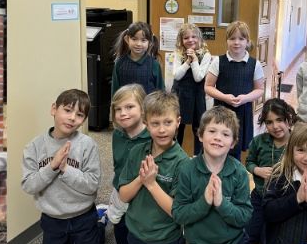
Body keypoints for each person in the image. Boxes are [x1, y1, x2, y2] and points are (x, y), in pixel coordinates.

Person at [172, 106, 263, 244]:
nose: (218, 137)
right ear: (200, 135)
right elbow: (179, 214)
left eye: (225, 134)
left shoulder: (239, 172)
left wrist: (221, 203)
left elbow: (244, 217)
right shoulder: (187, 170)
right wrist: (205, 201)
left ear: (234, 142)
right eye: (212, 131)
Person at [20, 89, 104, 244]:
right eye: (67, 110)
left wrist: (65, 169)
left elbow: (92, 185)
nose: (72, 117)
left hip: (83, 215)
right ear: (53, 109)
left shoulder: (87, 145)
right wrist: (52, 167)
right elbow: (29, 185)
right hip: (53, 218)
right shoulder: (34, 147)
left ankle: (99, 226)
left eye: (79, 114)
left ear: (83, 120)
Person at [118, 90, 189, 244]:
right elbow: (123, 196)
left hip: (166, 241)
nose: (162, 130)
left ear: (178, 121)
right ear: (145, 123)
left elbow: (177, 212)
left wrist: (151, 184)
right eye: (155, 123)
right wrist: (141, 180)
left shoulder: (183, 163)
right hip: (137, 235)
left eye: (167, 122)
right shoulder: (136, 152)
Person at [204, 21, 264, 160]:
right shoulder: (218, 61)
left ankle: (233, 178)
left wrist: (245, 98)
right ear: (227, 40)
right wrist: (224, 97)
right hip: (221, 111)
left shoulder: (254, 64)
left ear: (247, 41)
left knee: (235, 150)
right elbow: (208, 87)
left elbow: (260, 89)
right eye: (232, 38)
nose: (236, 42)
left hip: (242, 112)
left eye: (241, 39)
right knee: (218, 145)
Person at [244, 98, 299, 244]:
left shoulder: (298, 143)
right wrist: (257, 170)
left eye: (279, 120)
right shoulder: (258, 142)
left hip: (284, 200)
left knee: (273, 243)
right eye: (269, 122)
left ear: (289, 118)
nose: (275, 126)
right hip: (260, 196)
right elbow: (248, 162)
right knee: (249, 239)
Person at [109, 84, 150, 244]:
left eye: (129, 107)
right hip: (121, 191)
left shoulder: (153, 137)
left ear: (143, 108)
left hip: (143, 195)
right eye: (118, 109)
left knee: (141, 241)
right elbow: (117, 165)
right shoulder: (117, 135)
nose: (123, 113)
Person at [172, 23, 211, 156]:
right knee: (177, 126)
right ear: (181, 40)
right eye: (186, 38)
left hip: (196, 95)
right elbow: (177, 75)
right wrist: (187, 62)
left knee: (198, 127)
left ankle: (198, 157)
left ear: (199, 38)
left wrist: (194, 60)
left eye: (194, 36)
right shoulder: (178, 54)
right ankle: (174, 155)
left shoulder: (206, 55)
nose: (190, 40)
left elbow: (198, 77)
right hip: (180, 94)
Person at [111, 22, 164, 97]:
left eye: (143, 40)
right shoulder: (119, 63)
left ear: (150, 43)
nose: (138, 44)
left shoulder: (154, 64)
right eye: (134, 39)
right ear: (127, 39)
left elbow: (160, 91)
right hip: (126, 106)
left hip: (148, 108)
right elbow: (115, 91)